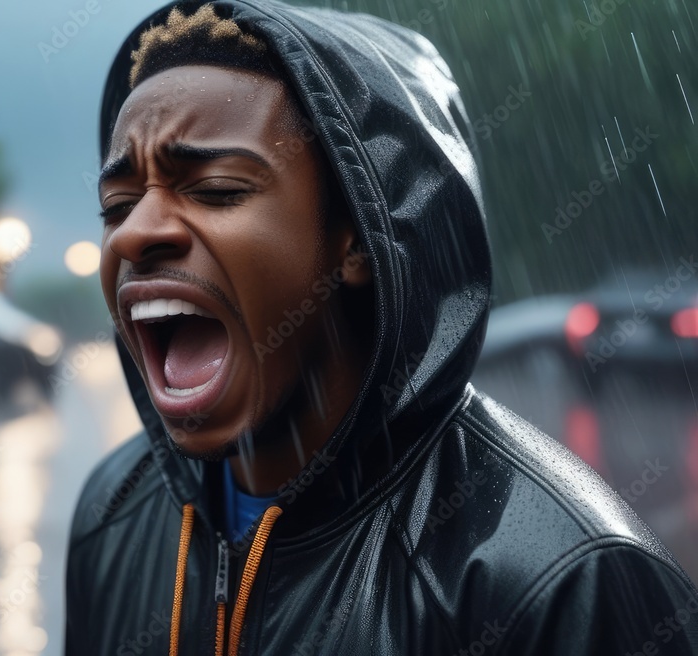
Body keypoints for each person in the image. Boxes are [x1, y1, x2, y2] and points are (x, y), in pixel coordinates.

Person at [64, 1, 698, 654]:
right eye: (118, 203)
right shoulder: (112, 510)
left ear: (361, 239)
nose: (136, 232)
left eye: (217, 188)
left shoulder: (562, 578)